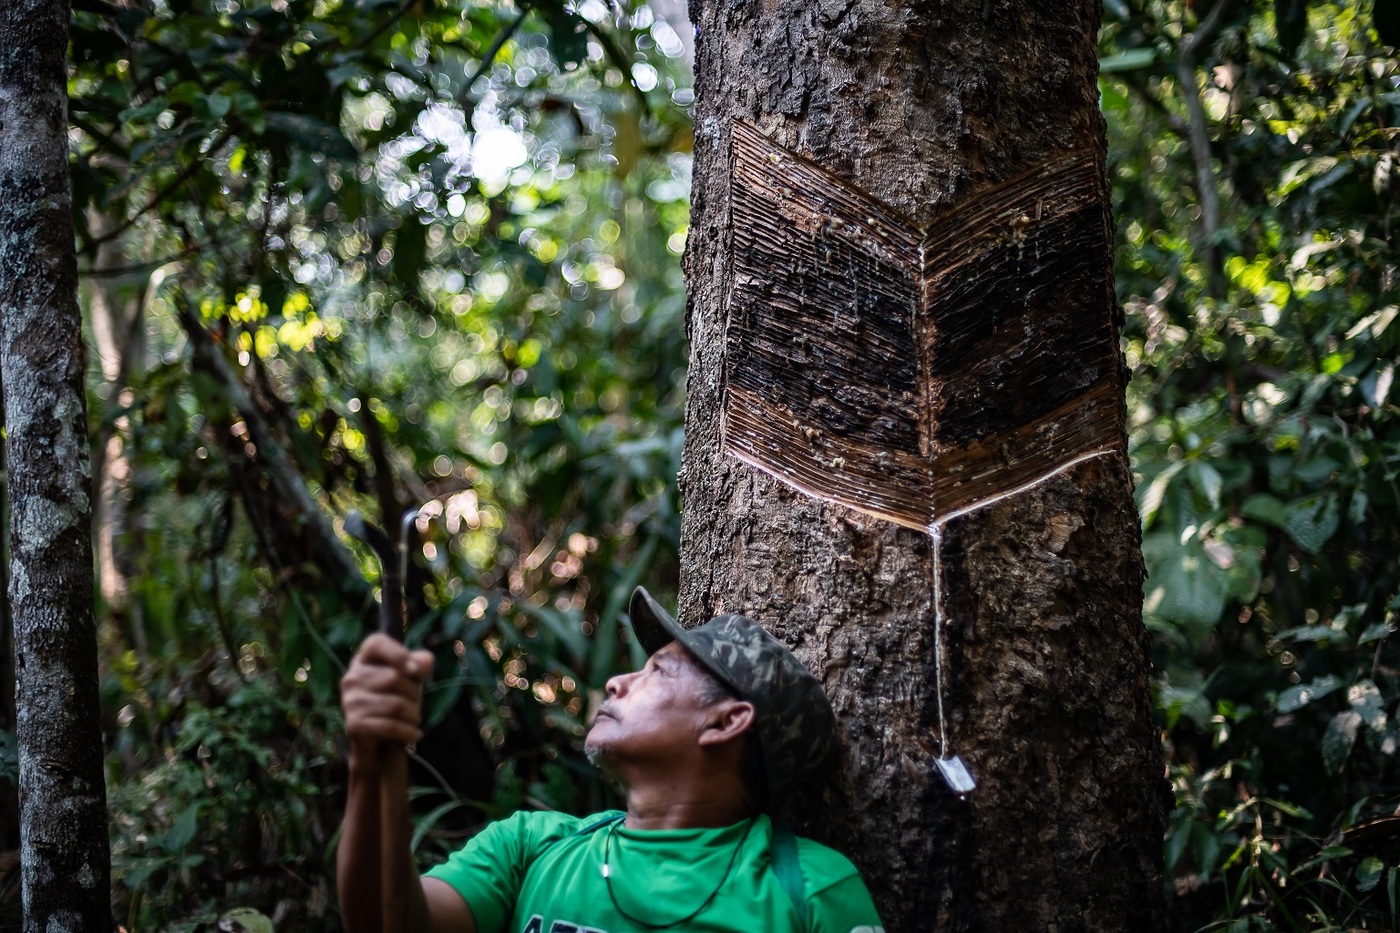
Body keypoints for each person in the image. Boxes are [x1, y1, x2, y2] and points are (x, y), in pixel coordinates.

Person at [337, 586, 886, 933]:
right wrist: (371, 762)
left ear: (725, 722)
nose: (617, 682)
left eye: (657, 672)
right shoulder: (532, 847)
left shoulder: (810, 891)